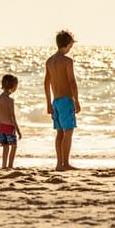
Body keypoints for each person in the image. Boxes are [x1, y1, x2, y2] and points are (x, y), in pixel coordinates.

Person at [44, 30, 81, 171]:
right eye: (71, 44)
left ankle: (59, 163)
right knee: (68, 132)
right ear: (68, 44)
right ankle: (65, 163)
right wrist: (76, 100)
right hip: (66, 101)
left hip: (56, 101)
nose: (72, 47)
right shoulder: (67, 61)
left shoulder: (50, 61)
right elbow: (72, 82)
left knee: (59, 133)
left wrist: (48, 103)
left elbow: (46, 83)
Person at [0, 74, 22, 169]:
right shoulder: (10, 100)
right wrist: (18, 130)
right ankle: (10, 165)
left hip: (1, 126)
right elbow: (12, 116)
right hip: (9, 127)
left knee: (5, 147)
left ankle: (4, 165)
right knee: (14, 146)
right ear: (13, 86)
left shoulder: (0, 98)